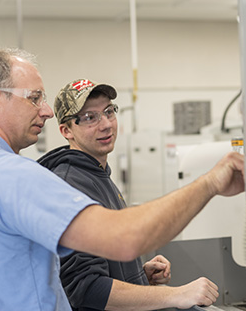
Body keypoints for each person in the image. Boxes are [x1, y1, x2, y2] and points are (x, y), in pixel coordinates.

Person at [0, 47, 245, 311]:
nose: (46, 111)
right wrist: (210, 183)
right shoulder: (13, 176)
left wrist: (134, 275)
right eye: (34, 98)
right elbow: (126, 239)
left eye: (108, 112)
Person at [38, 78, 221, 310]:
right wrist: (176, 295)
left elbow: (100, 265)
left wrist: (137, 276)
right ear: (66, 130)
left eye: (108, 112)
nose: (105, 124)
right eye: (89, 118)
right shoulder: (70, 185)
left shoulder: (97, 174)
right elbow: (86, 288)